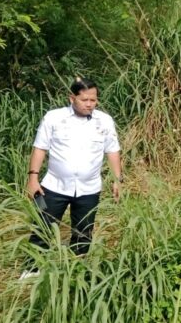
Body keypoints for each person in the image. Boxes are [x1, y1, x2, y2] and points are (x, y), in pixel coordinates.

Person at [26, 77, 122, 262]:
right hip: (52, 187)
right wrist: (33, 178)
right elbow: (40, 148)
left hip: (89, 189)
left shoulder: (105, 121)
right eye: (84, 100)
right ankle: (32, 269)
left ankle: (77, 270)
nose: (89, 104)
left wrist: (118, 180)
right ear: (72, 98)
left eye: (93, 100)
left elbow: (112, 151)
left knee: (83, 233)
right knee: (42, 226)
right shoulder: (53, 117)